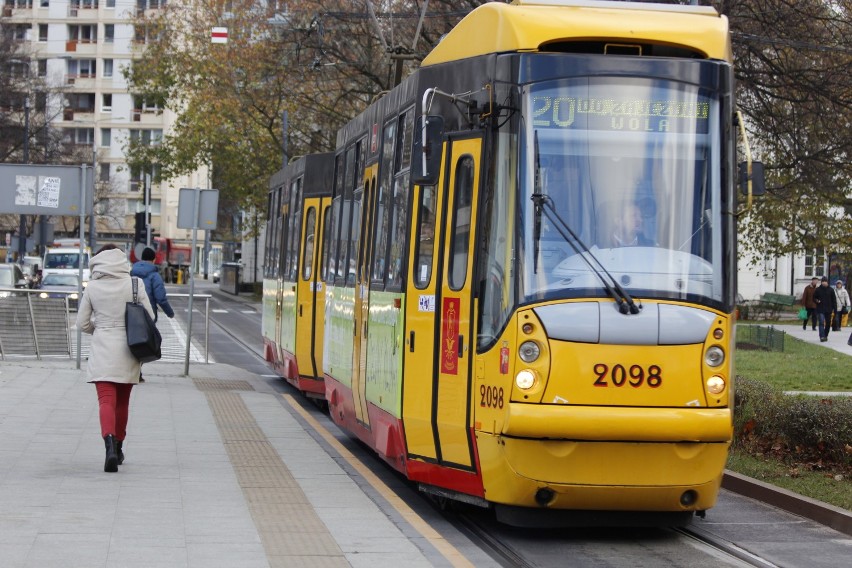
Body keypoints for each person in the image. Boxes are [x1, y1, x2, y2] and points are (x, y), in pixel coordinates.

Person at [76, 244, 155, 472]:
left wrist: (100, 329)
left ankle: (108, 445)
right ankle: (119, 448)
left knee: (106, 400)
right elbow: (149, 316)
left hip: (103, 348)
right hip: (130, 349)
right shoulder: (134, 283)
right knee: (122, 401)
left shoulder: (92, 287)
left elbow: (82, 324)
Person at [130, 247, 175, 323]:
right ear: (154, 260)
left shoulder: (131, 273)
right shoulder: (155, 276)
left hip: (132, 313)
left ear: (141, 258)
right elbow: (161, 299)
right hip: (149, 314)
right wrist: (170, 313)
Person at [812, 276, 837, 342]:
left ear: (827, 282)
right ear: (821, 282)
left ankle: (825, 335)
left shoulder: (831, 290)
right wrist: (817, 301)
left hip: (829, 309)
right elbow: (814, 298)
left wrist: (835, 309)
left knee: (828, 323)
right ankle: (822, 336)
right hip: (820, 308)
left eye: (825, 282)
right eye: (823, 282)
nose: (824, 283)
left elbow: (834, 300)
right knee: (821, 322)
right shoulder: (818, 289)